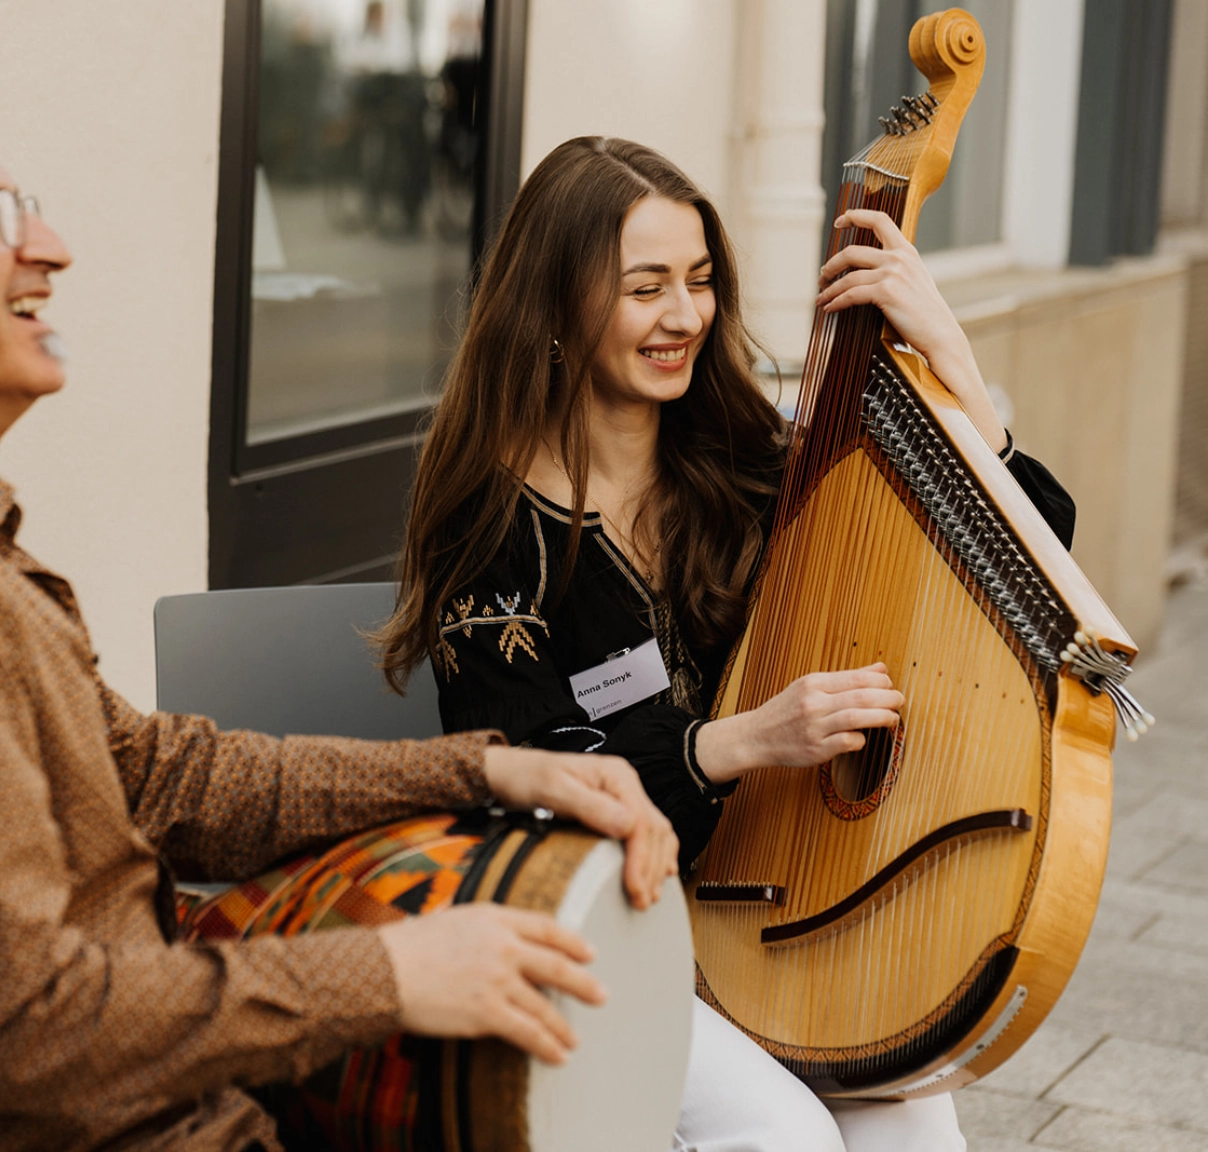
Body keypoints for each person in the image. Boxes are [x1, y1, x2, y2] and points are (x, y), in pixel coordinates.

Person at [0, 80, 680, 1152]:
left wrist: (486, 770)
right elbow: (23, 1032)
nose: (51, 249)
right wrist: (389, 972)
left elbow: (151, 777)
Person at [379, 137, 1079, 1152]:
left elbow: (1029, 575)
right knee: (784, 1135)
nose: (684, 317)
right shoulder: (490, 523)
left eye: (700, 280)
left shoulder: (750, 462)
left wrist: (954, 367)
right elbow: (520, 772)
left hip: (770, 903)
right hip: (600, 922)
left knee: (914, 1118)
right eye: (645, 287)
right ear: (554, 304)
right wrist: (741, 741)